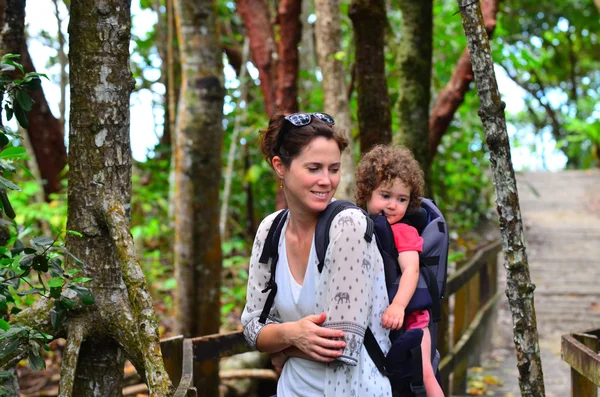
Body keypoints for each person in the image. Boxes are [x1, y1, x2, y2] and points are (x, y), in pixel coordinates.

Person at [241, 113, 392, 397]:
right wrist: (292, 334)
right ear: (280, 167)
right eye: (314, 168)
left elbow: (341, 346)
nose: (326, 180)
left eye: (333, 169)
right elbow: (251, 327)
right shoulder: (269, 230)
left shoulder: (349, 225)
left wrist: (277, 345)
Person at [355, 145, 444, 397]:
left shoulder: (403, 232)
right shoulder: (357, 225)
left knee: (424, 372)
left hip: (413, 319)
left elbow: (411, 271)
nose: (393, 205)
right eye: (385, 195)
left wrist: (398, 306)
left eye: (402, 199)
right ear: (367, 192)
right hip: (377, 322)